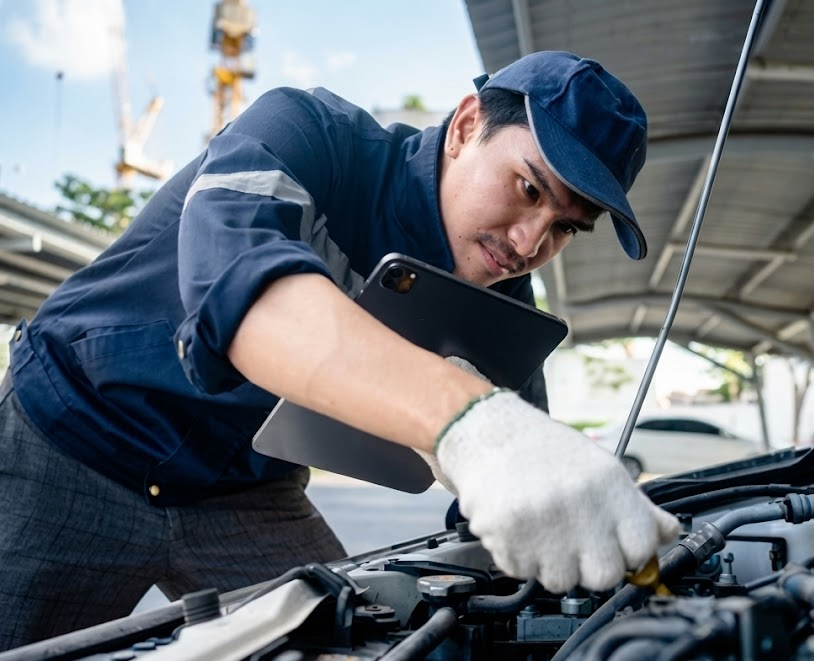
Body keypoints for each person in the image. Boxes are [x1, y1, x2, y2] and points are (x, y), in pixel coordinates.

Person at [0, 50, 679, 649]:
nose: (530, 243)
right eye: (528, 188)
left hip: (245, 492)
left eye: (565, 228)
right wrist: (474, 422)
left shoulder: (504, 298)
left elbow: (512, 483)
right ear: (467, 125)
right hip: (72, 439)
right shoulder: (304, 134)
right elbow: (238, 296)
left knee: (358, 641)